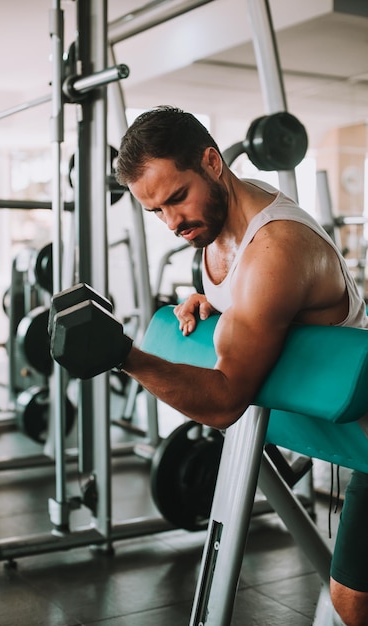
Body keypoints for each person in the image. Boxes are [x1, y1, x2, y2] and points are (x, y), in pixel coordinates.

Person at [114, 106, 368, 625]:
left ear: (212, 162)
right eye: (156, 211)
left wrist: (123, 356)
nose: (173, 223)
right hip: (329, 430)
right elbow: (259, 313)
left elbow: (228, 398)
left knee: (351, 602)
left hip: (365, 433)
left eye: (177, 198)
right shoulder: (217, 228)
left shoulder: (276, 246)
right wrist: (219, 310)